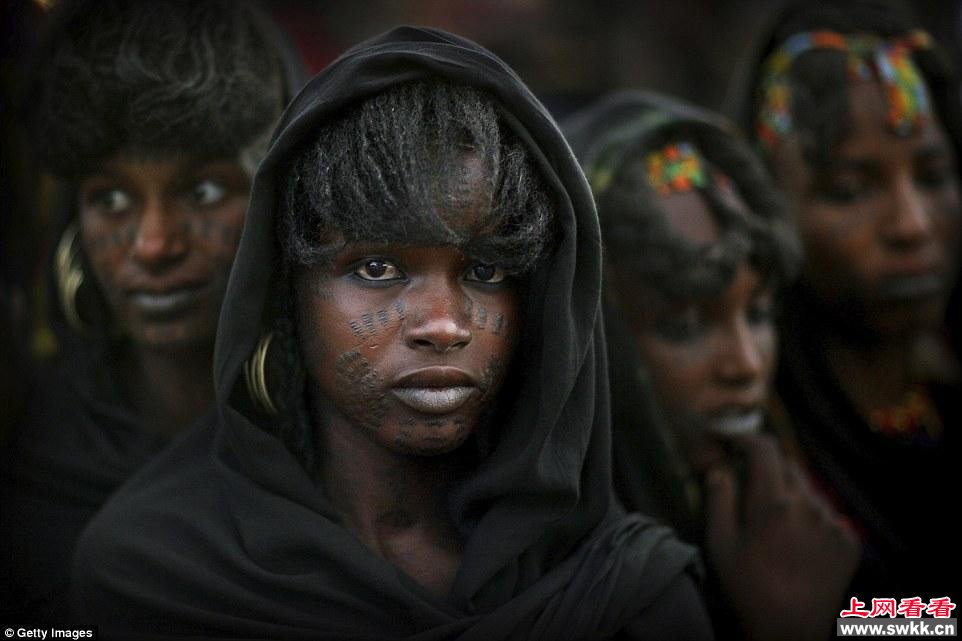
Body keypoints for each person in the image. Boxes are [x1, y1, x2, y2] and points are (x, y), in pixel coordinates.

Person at [69, 27, 714, 640]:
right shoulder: (153, 574)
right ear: (286, 293)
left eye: (486, 270)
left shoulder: (622, 590)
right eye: (377, 268)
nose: (442, 324)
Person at [0, 0, 303, 621]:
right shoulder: (32, 453)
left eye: (205, 190)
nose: (154, 244)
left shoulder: (355, 433)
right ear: (72, 227)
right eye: (111, 198)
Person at [564, 91, 860, 640]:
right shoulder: (558, 592)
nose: (745, 365)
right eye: (684, 326)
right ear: (586, 338)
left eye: (759, 312)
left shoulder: (801, 508)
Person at [728, 0, 961, 595]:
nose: (911, 224)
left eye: (933, 176)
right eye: (851, 189)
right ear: (769, 211)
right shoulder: (753, 472)